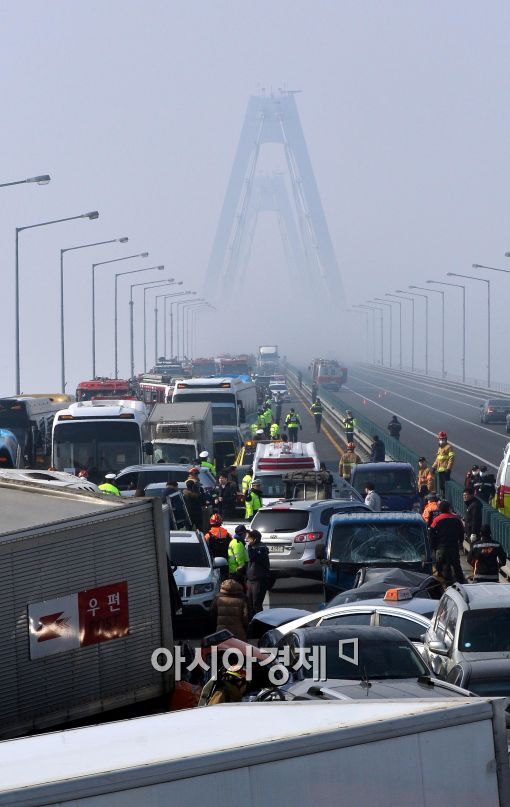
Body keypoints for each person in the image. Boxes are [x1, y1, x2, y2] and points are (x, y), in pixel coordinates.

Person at [429, 501, 466, 584]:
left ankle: (446, 583)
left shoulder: (436, 519)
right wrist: (460, 542)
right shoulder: (456, 519)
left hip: (441, 547)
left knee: (442, 566)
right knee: (456, 566)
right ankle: (461, 583)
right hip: (454, 547)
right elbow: (462, 532)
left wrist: (434, 546)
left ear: (440, 509)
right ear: (449, 508)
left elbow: (431, 533)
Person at [246, 529, 271, 616]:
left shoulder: (262, 549)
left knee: (256, 604)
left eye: (248, 538)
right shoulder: (253, 548)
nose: (246, 540)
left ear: (255, 539)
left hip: (259, 581)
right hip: (250, 580)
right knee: (249, 604)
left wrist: (249, 547)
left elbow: (253, 557)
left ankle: (259, 623)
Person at [432, 431, 455, 497]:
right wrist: (433, 467)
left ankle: (446, 497)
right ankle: (444, 496)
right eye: (440, 439)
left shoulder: (449, 447)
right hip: (440, 470)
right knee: (441, 486)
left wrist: (448, 468)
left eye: (443, 439)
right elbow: (438, 458)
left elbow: (451, 458)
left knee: (446, 486)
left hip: (445, 470)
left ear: (446, 439)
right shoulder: (440, 448)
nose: (441, 440)